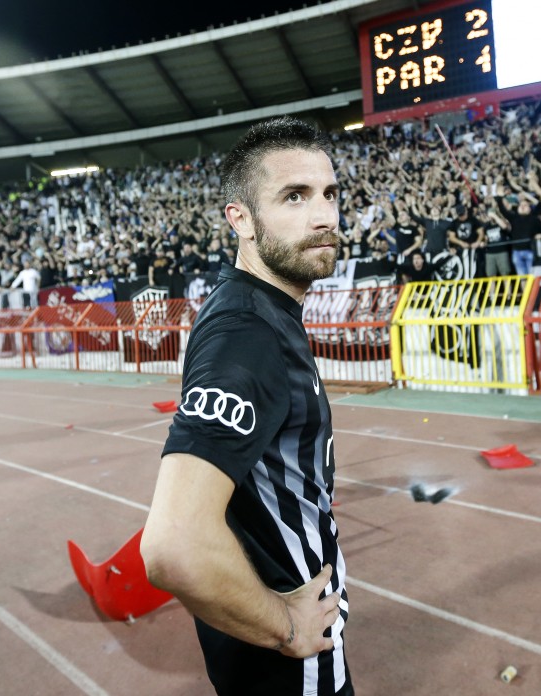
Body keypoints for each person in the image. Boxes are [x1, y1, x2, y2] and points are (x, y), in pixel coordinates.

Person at [140, 116, 352, 696]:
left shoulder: (256, 311)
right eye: (294, 196)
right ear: (241, 219)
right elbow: (171, 545)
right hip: (287, 659)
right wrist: (287, 628)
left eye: (330, 194)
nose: (324, 216)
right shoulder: (248, 333)